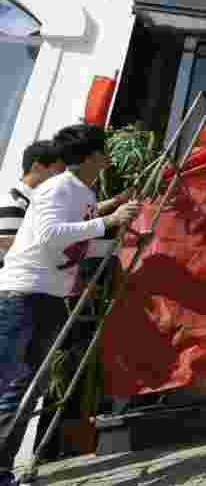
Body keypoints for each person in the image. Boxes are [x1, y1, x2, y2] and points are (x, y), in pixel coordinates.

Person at [0, 124, 140, 485]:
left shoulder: (82, 193)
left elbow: (73, 247)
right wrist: (106, 222)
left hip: (45, 296)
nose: (109, 157)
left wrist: (118, 242)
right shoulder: (59, 187)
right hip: (23, 295)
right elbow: (49, 236)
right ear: (91, 156)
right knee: (13, 386)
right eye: (105, 151)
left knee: (27, 388)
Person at [0, 141, 65, 265]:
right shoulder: (14, 206)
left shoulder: (25, 204)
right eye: (57, 173)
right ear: (36, 168)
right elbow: (19, 258)